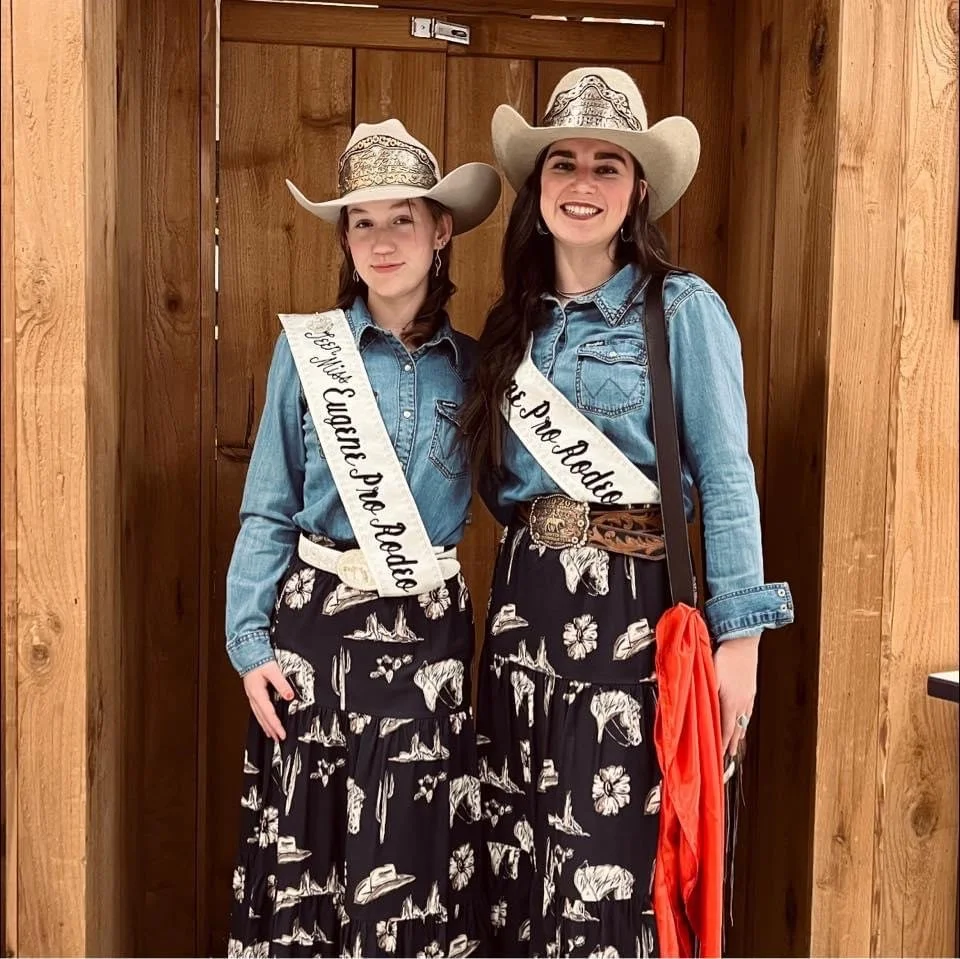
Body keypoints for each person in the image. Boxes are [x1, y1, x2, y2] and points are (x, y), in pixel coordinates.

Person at [460, 68, 794, 957]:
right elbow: (498, 488)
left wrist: (741, 644)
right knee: (519, 858)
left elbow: (726, 477)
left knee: (608, 866)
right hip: (523, 613)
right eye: (563, 163)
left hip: (631, 620)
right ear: (537, 189)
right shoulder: (513, 326)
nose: (583, 183)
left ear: (638, 189)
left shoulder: (682, 309)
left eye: (607, 165)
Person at [224, 118, 501, 957]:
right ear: (345, 238)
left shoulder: (479, 368)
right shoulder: (306, 352)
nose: (383, 241)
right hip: (314, 633)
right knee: (307, 862)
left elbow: (519, 496)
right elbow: (267, 505)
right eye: (363, 221)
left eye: (402, 219)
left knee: (409, 862)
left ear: (441, 230)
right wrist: (248, 643)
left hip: (428, 639)